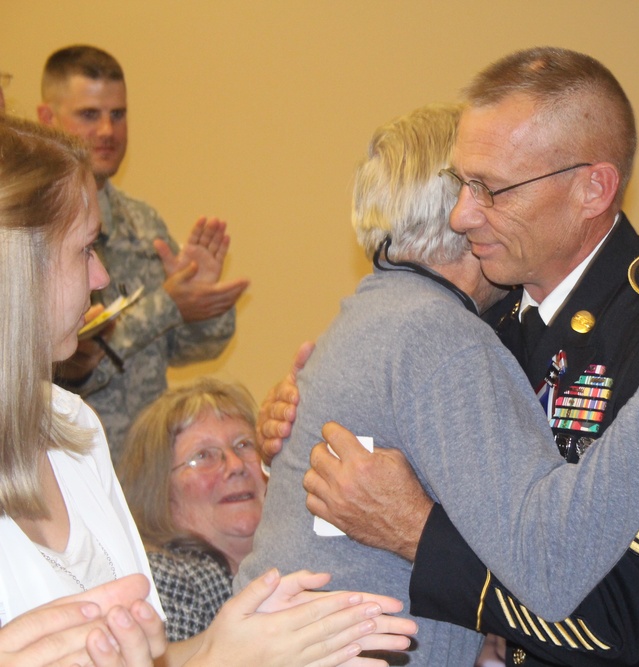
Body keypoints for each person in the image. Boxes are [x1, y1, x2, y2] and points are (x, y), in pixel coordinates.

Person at [269, 47, 639, 666]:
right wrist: (305, 422)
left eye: (492, 190)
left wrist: (417, 534)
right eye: (461, 183)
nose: (461, 214)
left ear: (593, 188)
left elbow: (612, 627)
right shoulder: (485, 320)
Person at [0, 115, 417, 666]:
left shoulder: (72, 426)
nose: (101, 276)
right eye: (85, 250)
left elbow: (146, 658)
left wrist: (228, 644)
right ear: (18, 269)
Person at [37, 45, 249, 459]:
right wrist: (167, 306)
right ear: (47, 119)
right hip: (70, 466)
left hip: (149, 470)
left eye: (118, 114)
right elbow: (64, 371)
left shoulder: (141, 222)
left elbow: (190, 350)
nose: (107, 131)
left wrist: (202, 305)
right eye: (89, 114)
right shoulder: (31, 228)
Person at [118, 378, 268, 641]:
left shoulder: (302, 554)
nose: (235, 465)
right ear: (159, 489)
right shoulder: (166, 580)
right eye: (203, 455)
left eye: (244, 444)